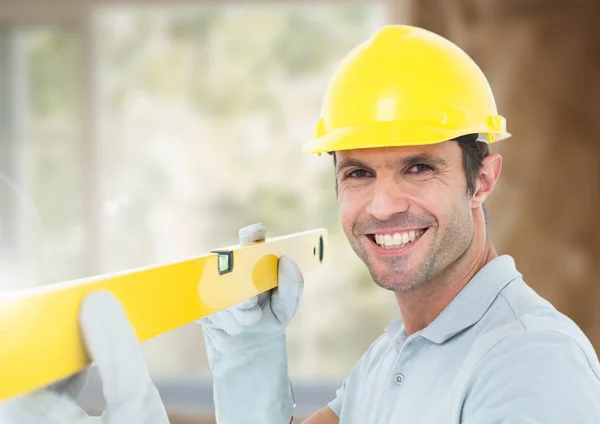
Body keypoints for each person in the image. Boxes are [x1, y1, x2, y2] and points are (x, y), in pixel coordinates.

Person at [2, 24, 600, 423]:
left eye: (419, 167)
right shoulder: (396, 355)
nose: (384, 206)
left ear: (483, 179)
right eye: (358, 173)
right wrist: (251, 359)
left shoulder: (529, 362)